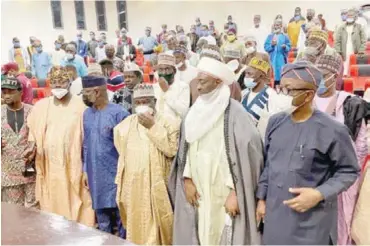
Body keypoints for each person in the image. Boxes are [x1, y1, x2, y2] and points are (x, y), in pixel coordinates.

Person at [256, 61, 360, 245]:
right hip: (275, 218)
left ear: (308, 94)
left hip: (311, 223)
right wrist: (261, 199)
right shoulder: (275, 122)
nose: (283, 94)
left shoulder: (333, 130)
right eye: (281, 88)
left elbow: (349, 171)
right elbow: (269, 163)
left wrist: (319, 193)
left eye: (289, 90)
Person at [168, 56, 263, 245]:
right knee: (201, 233)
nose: (199, 88)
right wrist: (186, 179)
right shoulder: (193, 112)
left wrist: (236, 192)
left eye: (203, 82)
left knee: (224, 233)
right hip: (198, 188)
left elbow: (249, 155)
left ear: (218, 81)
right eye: (197, 82)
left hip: (224, 190)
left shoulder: (236, 114)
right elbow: (186, 149)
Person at [26, 66, 95, 227]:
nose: (58, 86)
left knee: (76, 203)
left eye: (62, 82)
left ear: (69, 82)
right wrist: (31, 150)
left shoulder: (81, 107)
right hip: (49, 166)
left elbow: (88, 140)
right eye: (55, 83)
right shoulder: (41, 106)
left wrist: (86, 168)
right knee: (51, 204)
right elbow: (33, 136)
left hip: (74, 164)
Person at [114, 83, 178, 244]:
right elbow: (122, 154)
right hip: (134, 189)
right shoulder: (123, 126)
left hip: (158, 188)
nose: (142, 106)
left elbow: (172, 150)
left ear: (154, 101)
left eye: (146, 101)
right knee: (136, 230)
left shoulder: (170, 122)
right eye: (139, 102)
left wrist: (152, 127)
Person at [314, 54, 367, 245]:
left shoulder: (351, 104)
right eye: (316, 74)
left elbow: (361, 146)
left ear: (336, 76)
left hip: (343, 179)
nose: (319, 79)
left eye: (324, 74)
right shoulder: (305, 100)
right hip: (312, 176)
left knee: (340, 228)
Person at [82, 75, 129, 238]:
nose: (84, 96)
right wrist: (85, 171)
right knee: (102, 222)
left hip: (116, 175)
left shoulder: (120, 113)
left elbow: (127, 148)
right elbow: (86, 144)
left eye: (86, 92)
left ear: (97, 91)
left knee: (121, 219)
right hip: (95, 176)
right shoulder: (86, 114)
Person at [1, 77, 36, 208]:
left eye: (10, 92)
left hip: (31, 170)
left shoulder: (32, 111)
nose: (6, 95)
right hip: (8, 173)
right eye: (4, 92)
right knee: (13, 212)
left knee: (34, 211)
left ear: (21, 92)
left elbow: (40, 135)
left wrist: (34, 149)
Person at [241, 57, 290, 138]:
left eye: (249, 74)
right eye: (245, 74)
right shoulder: (244, 94)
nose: (246, 77)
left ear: (261, 76)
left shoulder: (272, 96)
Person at [154, 53, 190, 121]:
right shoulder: (154, 87)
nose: (164, 73)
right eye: (161, 69)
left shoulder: (183, 87)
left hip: (174, 126)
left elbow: (183, 112)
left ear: (174, 71)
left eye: (167, 69)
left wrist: (167, 91)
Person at [335, 8, 367, 76]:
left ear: (355, 17)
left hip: (355, 50)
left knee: (353, 67)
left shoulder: (359, 27)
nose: (349, 17)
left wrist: (361, 50)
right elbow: (337, 41)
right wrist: (338, 51)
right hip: (344, 49)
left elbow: (364, 40)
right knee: (344, 67)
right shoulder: (341, 27)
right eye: (348, 16)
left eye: (351, 16)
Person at [265, 19, 291, 88]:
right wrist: (272, 45)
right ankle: (272, 89)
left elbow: (289, 46)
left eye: (279, 25)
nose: (277, 27)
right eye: (276, 25)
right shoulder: (270, 36)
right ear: (274, 26)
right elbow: (266, 47)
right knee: (273, 73)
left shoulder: (285, 36)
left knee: (280, 72)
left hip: (281, 58)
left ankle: (281, 87)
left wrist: (285, 47)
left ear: (281, 26)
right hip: (272, 58)